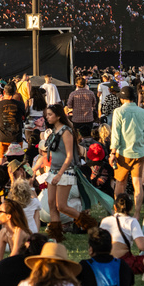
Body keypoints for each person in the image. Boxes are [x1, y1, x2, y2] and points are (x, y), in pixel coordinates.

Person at [44, 103, 94, 241]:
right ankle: (55, 236)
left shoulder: (66, 131)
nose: (47, 117)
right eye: (47, 114)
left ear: (58, 116)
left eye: (50, 115)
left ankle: (90, 224)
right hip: (54, 170)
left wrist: (59, 174)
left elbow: (69, 156)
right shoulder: (54, 131)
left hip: (64, 172)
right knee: (51, 204)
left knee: (62, 206)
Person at [110, 86, 144, 217]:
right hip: (139, 152)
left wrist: (112, 152)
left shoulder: (119, 111)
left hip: (123, 152)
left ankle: (119, 211)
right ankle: (137, 213)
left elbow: (116, 135)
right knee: (138, 184)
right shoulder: (143, 112)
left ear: (122, 99)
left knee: (120, 183)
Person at [100, 193, 144, 278]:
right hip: (123, 262)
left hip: (103, 262)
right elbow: (142, 246)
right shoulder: (132, 221)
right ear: (131, 208)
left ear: (115, 207)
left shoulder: (105, 221)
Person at [0, 83, 26, 160]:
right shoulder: (20, 104)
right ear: (14, 93)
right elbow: (23, 117)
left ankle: (0, 172)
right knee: (17, 161)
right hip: (16, 137)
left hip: (2, 137)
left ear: (4, 92)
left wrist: (1, 103)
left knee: (1, 160)